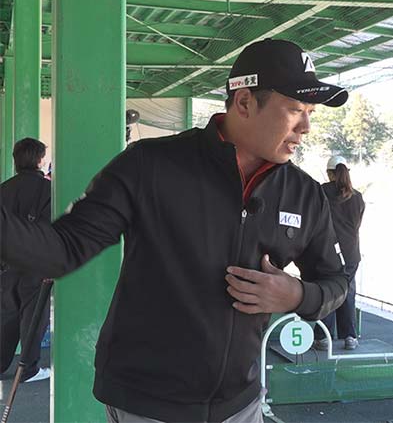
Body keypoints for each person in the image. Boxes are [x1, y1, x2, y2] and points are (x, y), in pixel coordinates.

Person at [0, 39, 350, 422]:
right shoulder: (148, 165)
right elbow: (62, 249)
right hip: (145, 405)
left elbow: (336, 281)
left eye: (310, 113)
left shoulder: (304, 195)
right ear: (244, 102)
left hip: (241, 404)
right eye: (295, 110)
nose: (306, 127)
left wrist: (297, 295)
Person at [0, 138, 52, 383]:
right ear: (40, 160)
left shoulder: (4, 189)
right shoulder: (48, 190)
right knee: (34, 316)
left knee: (6, 315)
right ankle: (28, 369)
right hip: (36, 262)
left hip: (7, 262)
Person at [312, 156, 365, 351]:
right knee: (347, 292)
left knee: (328, 291)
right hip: (351, 253)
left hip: (328, 251)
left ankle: (323, 337)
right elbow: (356, 225)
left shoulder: (321, 192)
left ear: (329, 173)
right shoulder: (357, 196)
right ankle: (350, 337)